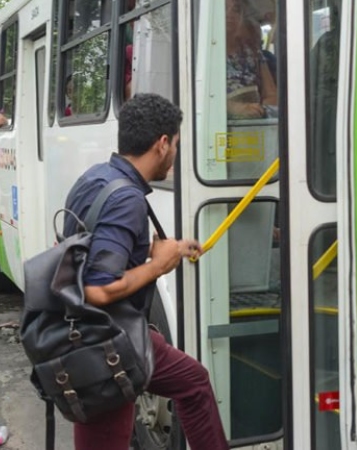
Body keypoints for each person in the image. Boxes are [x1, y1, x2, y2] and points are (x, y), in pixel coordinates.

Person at [63, 93, 229, 450]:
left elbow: (89, 253)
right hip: (107, 342)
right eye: (176, 145)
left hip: (85, 335)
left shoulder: (95, 178)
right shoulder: (127, 199)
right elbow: (98, 289)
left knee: (193, 381)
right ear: (162, 143)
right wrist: (158, 266)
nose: (175, 154)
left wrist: (166, 251)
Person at [226, 0, 277, 119]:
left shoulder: (253, 53)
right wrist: (233, 108)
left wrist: (260, 111)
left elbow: (272, 95)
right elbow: (196, 98)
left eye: (236, 9)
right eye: (223, 9)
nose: (230, 14)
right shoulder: (203, 55)